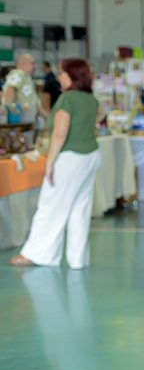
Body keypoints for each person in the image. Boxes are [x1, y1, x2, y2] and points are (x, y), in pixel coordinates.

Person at [10, 58, 101, 268]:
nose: (59, 77)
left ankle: (36, 255)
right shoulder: (90, 99)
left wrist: (50, 163)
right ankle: (78, 259)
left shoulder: (67, 99)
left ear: (73, 76)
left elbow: (60, 134)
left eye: (63, 73)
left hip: (70, 157)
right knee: (80, 208)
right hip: (90, 155)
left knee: (50, 206)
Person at [2, 53, 39, 124]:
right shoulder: (18, 73)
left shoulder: (26, 76)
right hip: (19, 118)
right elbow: (10, 90)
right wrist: (9, 108)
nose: (34, 66)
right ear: (23, 63)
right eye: (32, 63)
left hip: (26, 117)